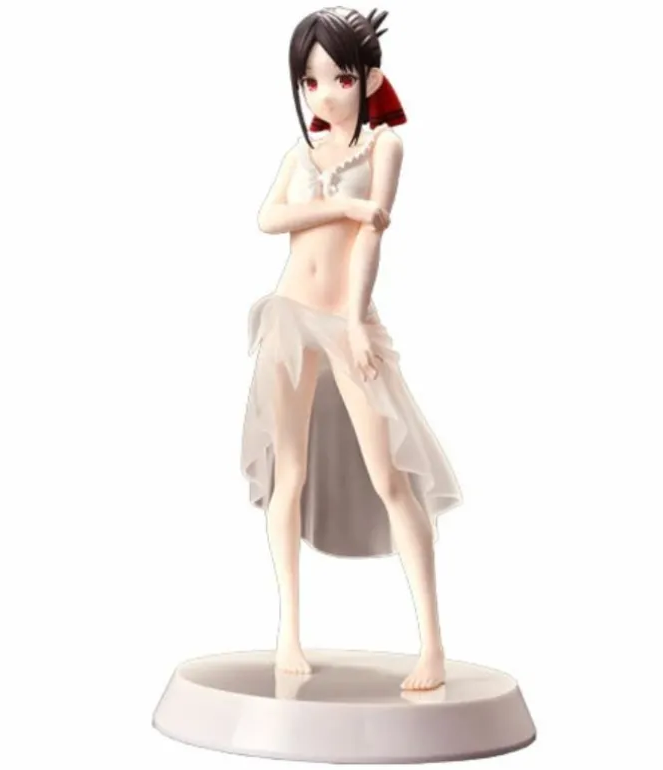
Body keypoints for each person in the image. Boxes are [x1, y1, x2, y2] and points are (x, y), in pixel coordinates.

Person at [240, 6, 462, 691]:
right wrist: (341, 206)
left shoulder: (383, 148)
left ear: (368, 79)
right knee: (289, 475)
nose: (323, 95)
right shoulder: (300, 155)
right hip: (288, 317)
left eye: (338, 79)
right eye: (309, 82)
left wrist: (359, 320)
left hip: (345, 321)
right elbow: (268, 218)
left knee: (390, 474)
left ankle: (432, 644)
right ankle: (289, 632)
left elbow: (372, 240)